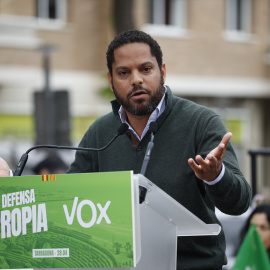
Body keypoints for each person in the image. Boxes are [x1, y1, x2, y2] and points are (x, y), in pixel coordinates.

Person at [0, 30, 251, 269]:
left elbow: (239, 203)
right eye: (123, 72)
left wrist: (216, 176)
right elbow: (63, 202)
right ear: (111, 80)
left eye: (146, 69)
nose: (136, 79)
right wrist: (11, 184)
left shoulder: (201, 122)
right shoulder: (100, 132)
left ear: (162, 71)